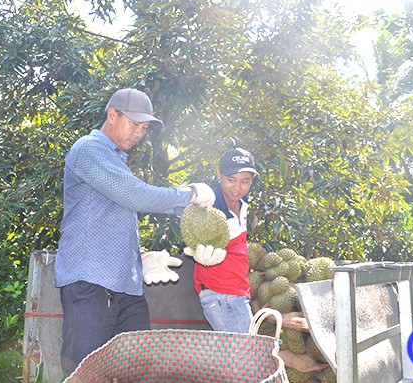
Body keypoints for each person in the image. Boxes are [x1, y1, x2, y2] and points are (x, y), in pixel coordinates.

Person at [54, 88, 216, 377]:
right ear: (112, 116)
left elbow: (111, 220)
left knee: (139, 371)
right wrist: (188, 194)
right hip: (91, 285)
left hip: (126, 289)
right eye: (134, 124)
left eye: (144, 128)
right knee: (86, 374)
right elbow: (135, 196)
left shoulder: (117, 160)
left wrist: (140, 256)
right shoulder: (89, 149)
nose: (139, 133)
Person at [184, 148, 259, 333]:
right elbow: (192, 237)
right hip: (220, 294)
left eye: (245, 181)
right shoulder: (208, 207)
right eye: (231, 180)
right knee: (243, 356)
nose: (237, 188)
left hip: (238, 290)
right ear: (219, 174)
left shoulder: (243, 202)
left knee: (241, 356)